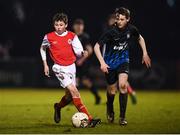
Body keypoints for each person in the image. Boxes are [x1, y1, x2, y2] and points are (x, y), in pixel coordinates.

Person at [40, 12, 101, 127]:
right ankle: (89, 119)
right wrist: (45, 64)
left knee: (69, 97)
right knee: (74, 91)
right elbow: (42, 48)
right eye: (56, 25)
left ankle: (57, 107)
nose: (58, 27)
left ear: (66, 25)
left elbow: (78, 51)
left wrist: (83, 52)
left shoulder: (72, 36)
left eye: (61, 25)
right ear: (54, 25)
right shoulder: (48, 37)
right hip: (58, 67)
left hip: (71, 67)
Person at [94, 7, 151, 125]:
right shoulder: (110, 32)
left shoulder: (131, 29)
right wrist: (102, 62)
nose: (119, 21)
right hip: (109, 64)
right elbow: (96, 47)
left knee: (123, 85)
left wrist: (145, 53)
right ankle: (110, 108)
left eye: (122, 19)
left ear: (128, 19)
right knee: (112, 91)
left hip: (123, 61)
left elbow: (140, 38)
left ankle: (122, 117)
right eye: (117, 19)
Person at [103, 13, 137, 105]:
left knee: (119, 82)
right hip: (110, 60)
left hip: (117, 59)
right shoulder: (109, 31)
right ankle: (131, 92)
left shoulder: (120, 30)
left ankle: (111, 102)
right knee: (120, 81)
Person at [72, 18, 101, 104]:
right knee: (74, 81)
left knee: (86, 81)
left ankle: (97, 96)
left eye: (81, 25)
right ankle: (73, 99)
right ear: (74, 26)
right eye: (77, 25)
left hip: (83, 63)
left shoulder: (85, 37)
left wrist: (81, 60)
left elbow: (90, 50)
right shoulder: (72, 36)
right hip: (74, 63)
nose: (79, 27)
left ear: (83, 27)